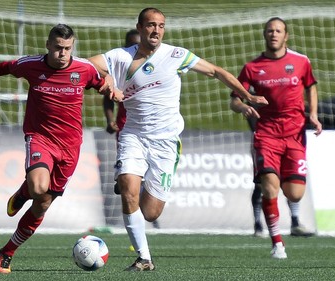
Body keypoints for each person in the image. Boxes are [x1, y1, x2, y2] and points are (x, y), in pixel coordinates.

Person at [89, 7, 268, 271]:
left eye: (161, 25)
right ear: (139, 28)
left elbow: (216, 71)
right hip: (134, 136)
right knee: (128, 190)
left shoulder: (176, 55)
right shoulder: (121, 57)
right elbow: (86, 65)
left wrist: (248, 96)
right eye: (150, 25)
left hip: (166, 142)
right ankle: (144, 258)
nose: (156, 30)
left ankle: (132, 184)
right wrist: (106, 84)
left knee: (150, 212)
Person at [0, 23, 121, 274]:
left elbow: (103, 81)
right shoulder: (31, 65)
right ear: (48, 45)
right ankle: (25, 191)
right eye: (58, 48)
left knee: (43, 204)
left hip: (71, 146)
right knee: (39, 187)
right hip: (41, 138)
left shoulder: (83, 69)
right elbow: (6, 67)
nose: (63, 54)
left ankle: (7, 251)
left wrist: (111, 86)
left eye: (68, 49)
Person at [230, 17, 322, 259]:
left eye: (278, 31)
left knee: (295, 193)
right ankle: (277, 244)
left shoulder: (301, 62)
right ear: (264, 35)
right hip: (266, 135)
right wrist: (244, 106)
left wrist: (312, 114)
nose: (274, 34)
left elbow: (311, 86)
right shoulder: (252, 67)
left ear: (286, 36)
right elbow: (235, 98)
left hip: (294, 134)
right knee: (270, 188)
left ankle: (283, 189)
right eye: (270, 31)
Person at [102, 29, 161, 230]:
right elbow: (107, 99)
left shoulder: (156, 67)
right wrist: (110, 121)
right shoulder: (120, 68)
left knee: (146, 177)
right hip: (127, 130)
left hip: (153, 132)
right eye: (131, 44)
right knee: (126, 181)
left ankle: (150, 204)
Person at [247, 117, 314, 238]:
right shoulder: (257, 99)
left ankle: (295, 222)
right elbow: (243, 107)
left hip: (289, 140)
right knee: (262, 183)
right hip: (265, 140)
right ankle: (258, 225)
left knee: (291, 182)